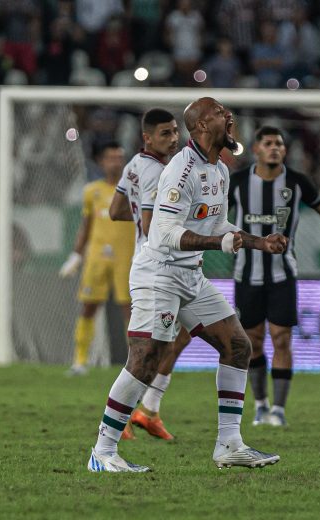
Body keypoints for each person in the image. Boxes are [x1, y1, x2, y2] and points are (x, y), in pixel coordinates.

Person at [87, 97, 288, 473]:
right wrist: (218, 244)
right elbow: (161, 234)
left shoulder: (220, 170)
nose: (228, 115)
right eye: (217, 113)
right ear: (199, 127)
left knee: (237, 346)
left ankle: (229, 444)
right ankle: (103, 450)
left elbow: (217, 228)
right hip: (159, 273)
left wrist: (260, 241)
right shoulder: (181, 171)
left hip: (190, 275)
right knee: (146, 359)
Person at [228, 126, 320, 427]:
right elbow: (211, 214)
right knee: (253, 341)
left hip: (284, 274)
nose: (275, 148)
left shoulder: (297, 183)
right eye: (268, 143)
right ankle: (260, 405)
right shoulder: (238, 183)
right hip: (246, 275)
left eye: (279, 144)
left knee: (282, 339)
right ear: (256, 149)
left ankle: (279, 411)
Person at [109, 108, 191, 441]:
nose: (173, 139)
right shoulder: (158, 172)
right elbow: (146, 223)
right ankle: (124, 416)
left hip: (160, 265)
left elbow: (116, 211)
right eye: (165, 134)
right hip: (159, 267)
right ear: (147, 137)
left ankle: (149, 410)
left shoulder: (133, 165)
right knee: (147, 350)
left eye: (175, 132)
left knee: (181, 335)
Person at [59, 141, 135, 378]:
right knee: (89, 306)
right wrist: (75, 255)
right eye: (111, 158)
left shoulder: (132, 190)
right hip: (97, 257)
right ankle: (80, 361)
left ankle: (135, 363)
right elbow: (86, 226)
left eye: (119, 158)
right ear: (102, 162)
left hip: (127, 257)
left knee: (130, 310)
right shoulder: (92, 191)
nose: (115, 162)